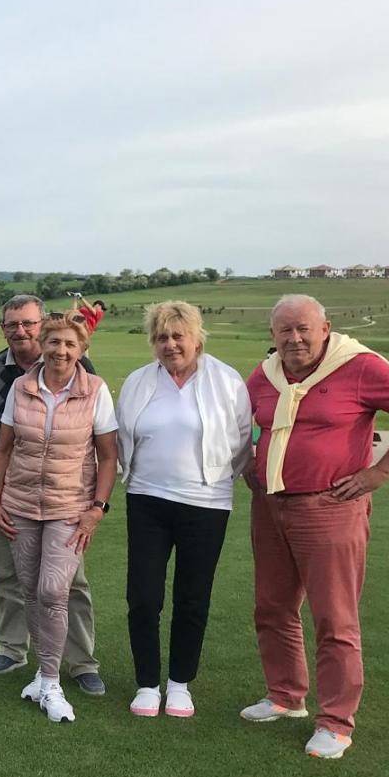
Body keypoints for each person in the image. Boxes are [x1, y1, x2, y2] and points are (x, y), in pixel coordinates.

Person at [241, 294, 389, 758]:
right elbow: (242, 419)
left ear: (325, 329)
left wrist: (380, 473)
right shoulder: (266, 374)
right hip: (270, 505)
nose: (294, 338)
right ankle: (285, 695)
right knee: (272, 607)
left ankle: (335, 721)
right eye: (285, 330)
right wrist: (250, 459)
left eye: (303, 328)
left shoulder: (359, 366)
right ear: (273, 335)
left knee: (334, 617)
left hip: (330, 507)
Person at [116, 301, 252, 718]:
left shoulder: (226, 380)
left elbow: (242, 440)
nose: (170, 345)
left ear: (196, 338)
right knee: (143, 597)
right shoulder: (138, 382)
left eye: (178, 336)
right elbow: (123, 438)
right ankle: (147, 683)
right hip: (146, 500)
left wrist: (215, 479)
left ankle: (179, 684)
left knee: (192, 598)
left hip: (206, 504)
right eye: (161, 337)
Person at [0, 312, 118, 724]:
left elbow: (108, 456)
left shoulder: (95, 390)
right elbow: (4, 448)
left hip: (69, 508)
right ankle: (44, 678)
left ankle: (51, 682)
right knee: (29, 590)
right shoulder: (21, 387)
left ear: (82, 350)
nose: (61, 350)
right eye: (54, 342)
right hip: (21, 505)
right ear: (42, 345)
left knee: (53, 590)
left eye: (70, 344)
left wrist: (97, 508)